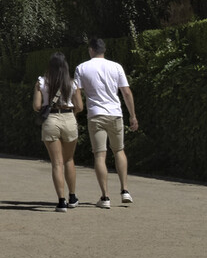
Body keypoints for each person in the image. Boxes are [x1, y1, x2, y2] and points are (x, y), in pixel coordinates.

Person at [75, 36, 139, 207]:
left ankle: (105, 197)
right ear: (104, 50)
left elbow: (77, 92)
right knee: (119, 150)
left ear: (91, 50)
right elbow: (126, 92)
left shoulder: (82, 68)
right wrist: (132, 115)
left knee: (100, 155)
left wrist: (76, 112)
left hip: (95, 115)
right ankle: (125, 190)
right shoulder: (116, 66)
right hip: (116, 114)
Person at [33, 51, 83, 211]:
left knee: (57, 163)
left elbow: (36, 106)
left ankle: (61, 201)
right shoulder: (72, 83)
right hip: (68, 117)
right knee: (69, 160)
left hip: (51, 119)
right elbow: (80, 107)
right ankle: (73, 196)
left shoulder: (41, 82)